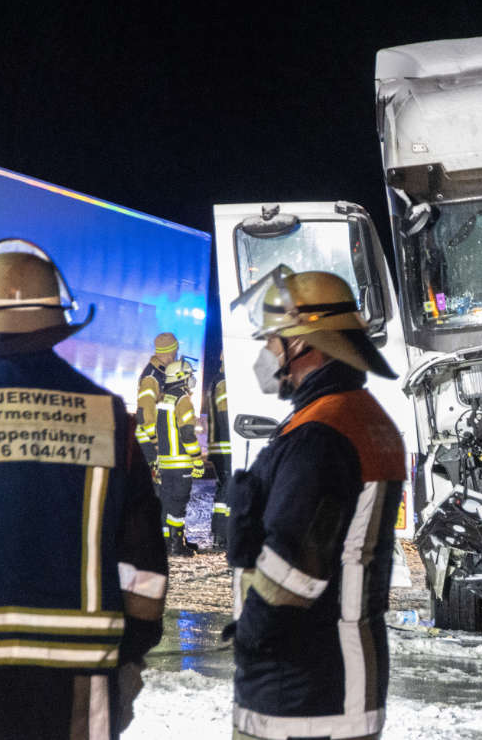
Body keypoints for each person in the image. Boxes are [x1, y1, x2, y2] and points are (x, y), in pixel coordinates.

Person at [0, 239, 167, 739]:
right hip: (80, 679)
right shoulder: (108, 417)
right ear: (58, 319)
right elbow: (145, 568)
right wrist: (130, 655)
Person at [226, 267, 405, 739]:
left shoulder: (322, 435)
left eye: (272, 339)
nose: (266, 353)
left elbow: (294, 568)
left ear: (304, 344)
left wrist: (249, 638)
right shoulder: (359, 417)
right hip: (336, 677)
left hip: (303, 689)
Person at [155, 358, 204, 555]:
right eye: (189, 375)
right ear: (181, 378)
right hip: (181, 463)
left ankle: (166, 543)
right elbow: (187, 434)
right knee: (178, 504)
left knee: (166, 503)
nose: (192, 379)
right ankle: (177, 545)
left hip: (166, 463)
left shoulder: (164, 399)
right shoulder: (183, 400)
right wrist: (197, 459)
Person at [135, 332, 179, 468]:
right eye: (176, 352)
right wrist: (157, 442)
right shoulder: (152, 377)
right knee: (155, 484)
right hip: (149, 443)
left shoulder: (160, 373)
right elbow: (145, 414)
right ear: (171, 353)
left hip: (152, 440)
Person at [205, 351, 231, 548]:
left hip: (217, 446)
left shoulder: (216, 380)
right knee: (227, 489)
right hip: (225, 446)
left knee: (223, 489)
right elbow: (225, 413)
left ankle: (219, 533)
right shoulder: (224, 382)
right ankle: (222, 536)